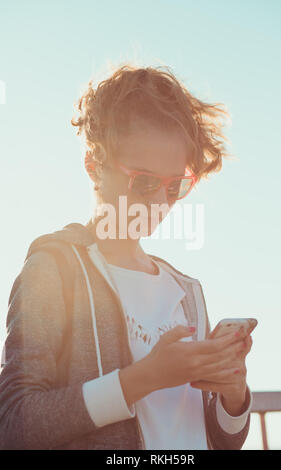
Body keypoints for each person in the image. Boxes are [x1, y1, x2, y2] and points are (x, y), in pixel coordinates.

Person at [0, 64, 253, 450]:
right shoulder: (54, 270)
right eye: (145, 182)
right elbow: (15, 424)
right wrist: (143, 378)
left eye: (175, 187)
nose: (158, 202)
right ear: (93, 166)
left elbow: (222, 440)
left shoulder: (186, 291)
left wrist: (234, 393)